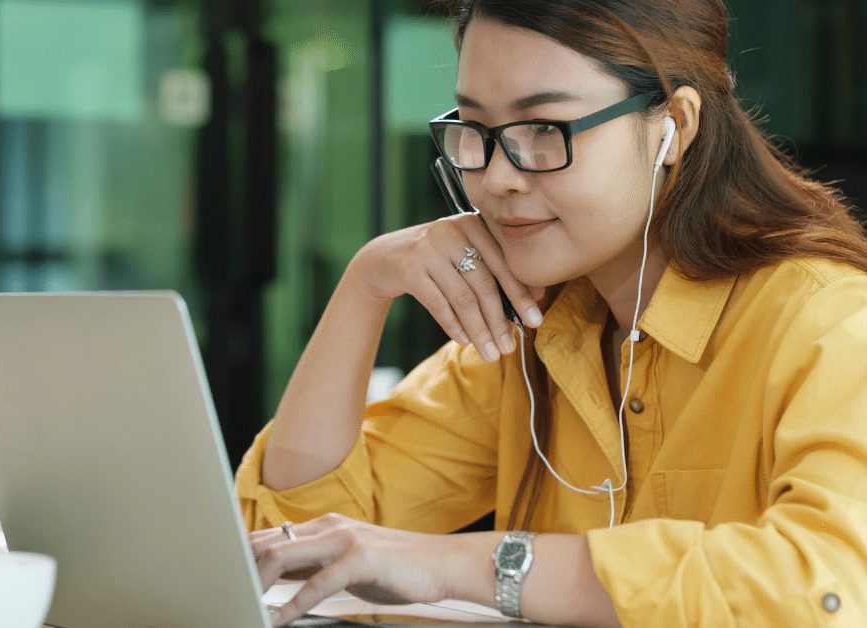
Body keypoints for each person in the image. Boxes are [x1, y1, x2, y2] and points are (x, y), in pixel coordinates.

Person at [234, 1, 867, 627]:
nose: (499, 177)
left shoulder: (831, 323)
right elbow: (282, 552)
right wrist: (367, 284)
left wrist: (472, 566)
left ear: (675, 126)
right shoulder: (537, 329)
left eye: (543, 129)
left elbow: (828, 587)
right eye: (475, 130)